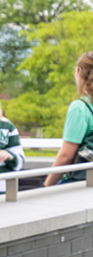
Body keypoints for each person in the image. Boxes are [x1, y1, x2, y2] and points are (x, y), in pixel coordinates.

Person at [44, 51, 93, 186]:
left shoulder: (80, 108)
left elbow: (66, 156)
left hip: (81, 183)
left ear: (79, 71)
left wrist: (47, 185)